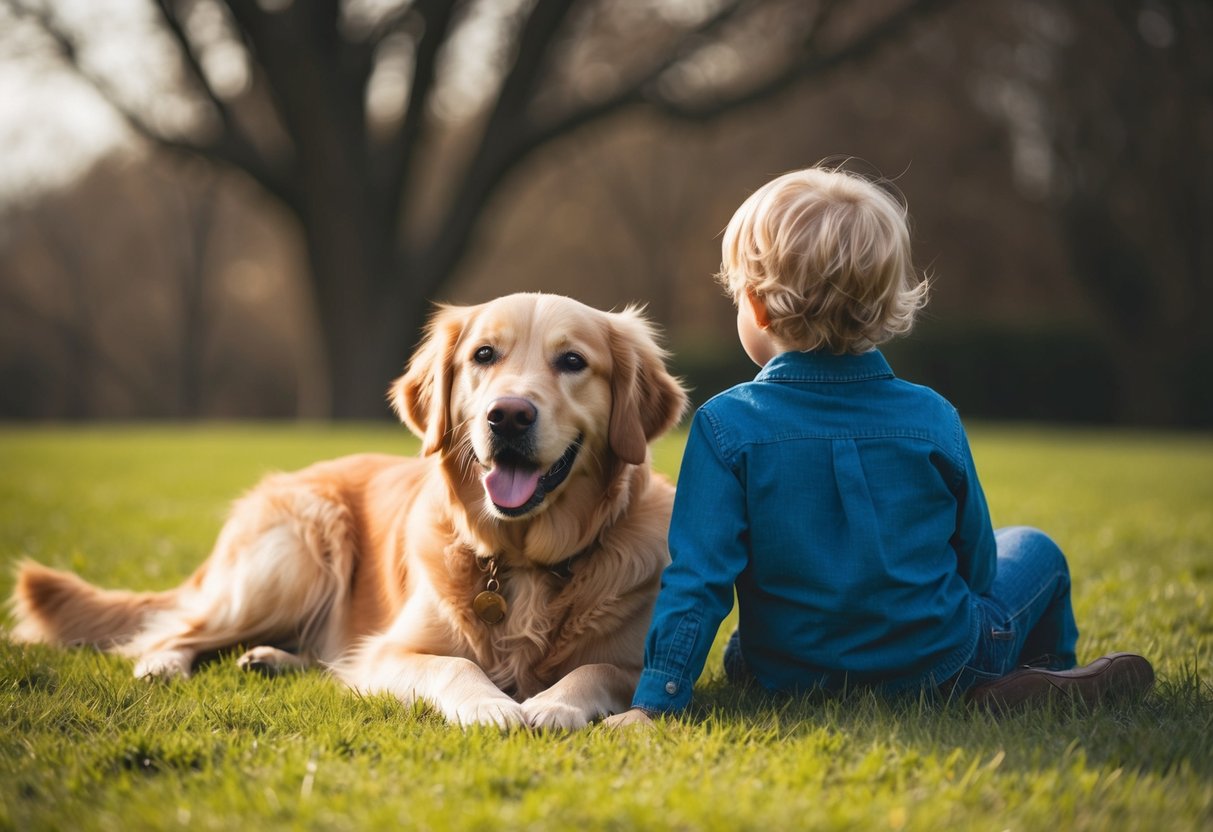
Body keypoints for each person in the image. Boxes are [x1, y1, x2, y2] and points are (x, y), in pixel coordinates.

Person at [604, 165, 1153, 727]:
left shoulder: (724, 426)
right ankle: (1040, 674)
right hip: (940, 664)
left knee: (742, 648)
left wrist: (657, 698)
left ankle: (1024, 680)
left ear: (760, 308)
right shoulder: (932, 416)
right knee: (1034, 548)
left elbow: (698, 580)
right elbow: (979, 563)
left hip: (785, 671)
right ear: (883, 302)